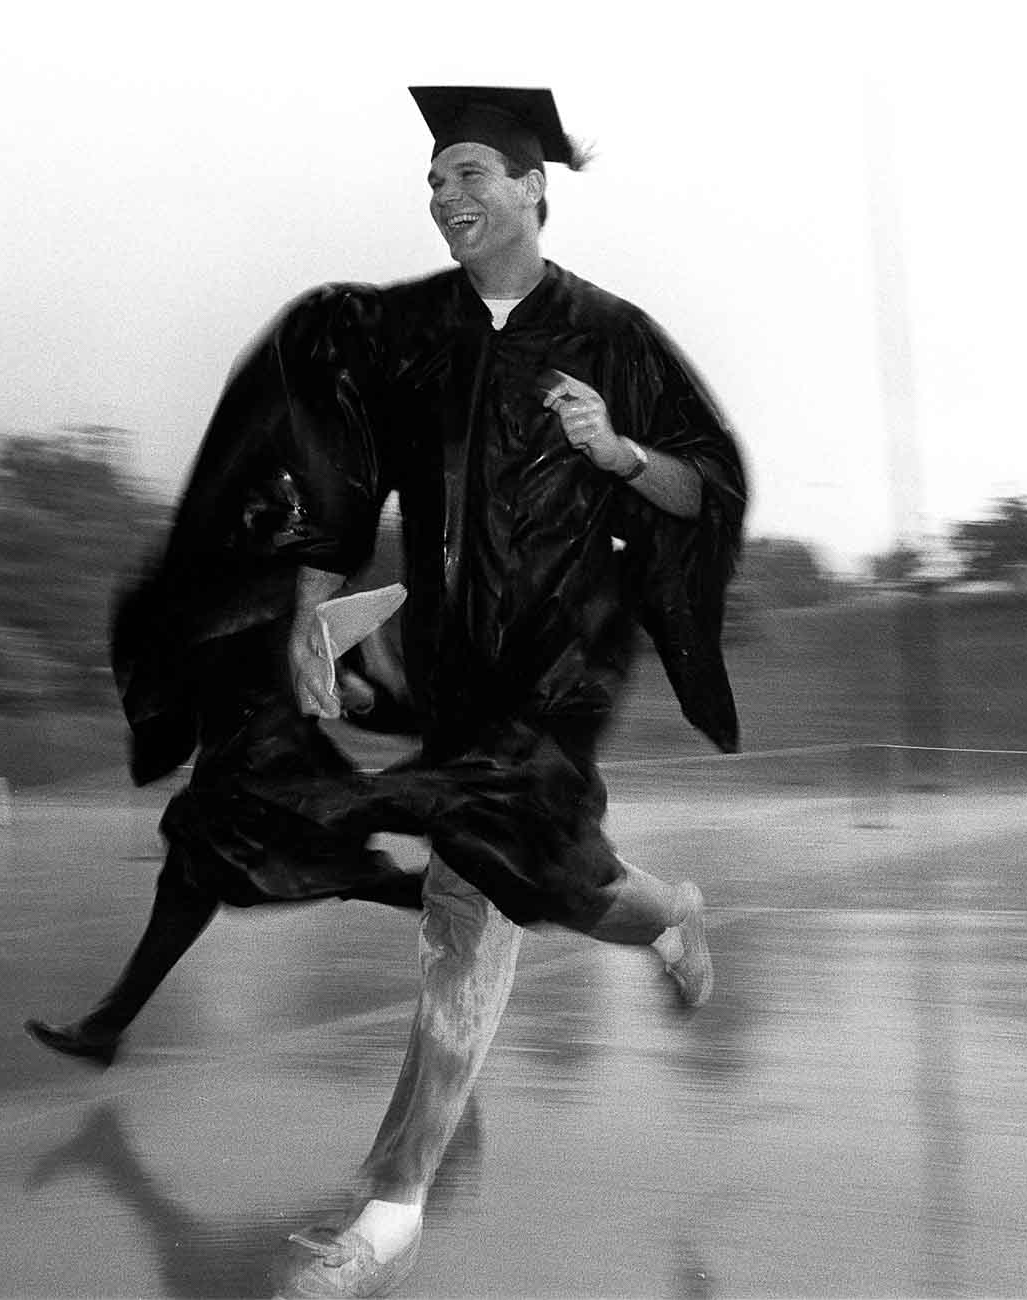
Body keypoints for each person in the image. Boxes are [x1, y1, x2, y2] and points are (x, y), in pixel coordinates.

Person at [271, 84, 747, 1298]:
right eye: (435, 180)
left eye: (471, 174)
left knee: (468, 876)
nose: (447, 198)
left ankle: (392, 1208)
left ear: (535, 186)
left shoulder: (612, 335)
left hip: (563, 655)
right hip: (451, 652)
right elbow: (347, 478)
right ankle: (667, 912)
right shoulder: (415, 337)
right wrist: (312, 607)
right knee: (558, 881)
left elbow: (706, 485)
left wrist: (622, 453)